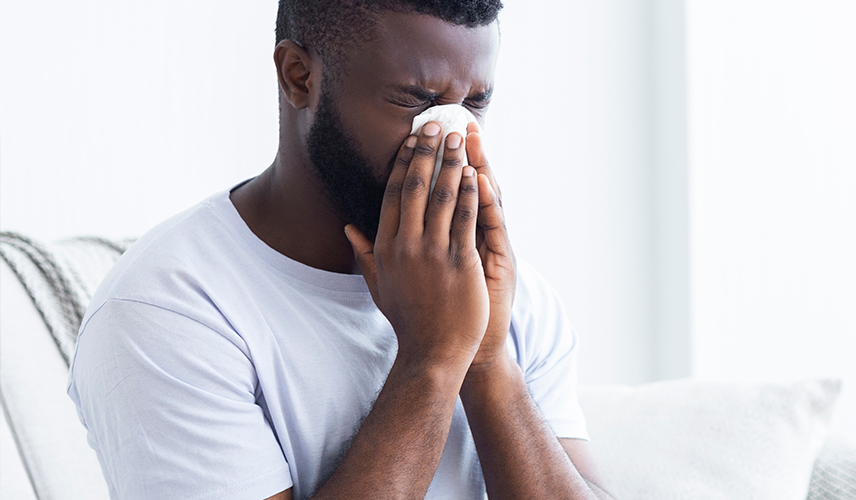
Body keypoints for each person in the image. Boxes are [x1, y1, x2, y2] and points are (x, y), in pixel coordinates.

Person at [65, 1, 613, 498]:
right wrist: (433, 359)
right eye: (416, 101)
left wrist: (489, 361)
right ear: (298, 77)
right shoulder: (168, 312)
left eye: (474, 104)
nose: (452, 137)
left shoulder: (511, 295)